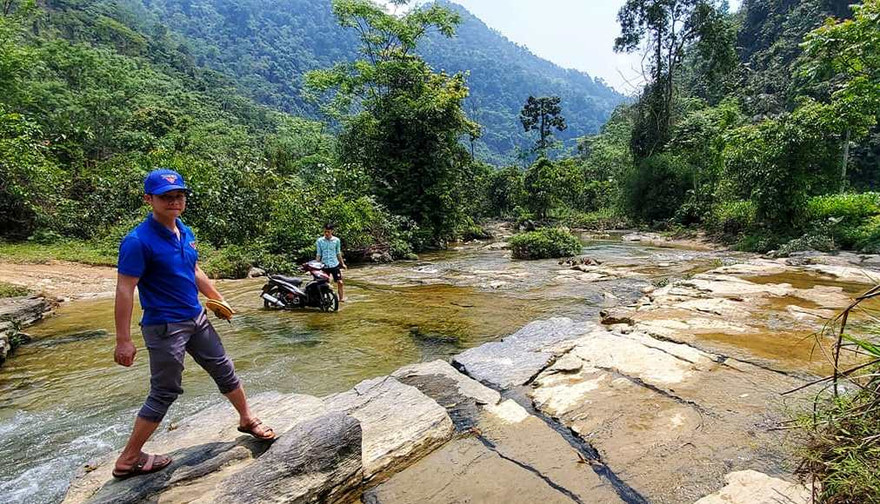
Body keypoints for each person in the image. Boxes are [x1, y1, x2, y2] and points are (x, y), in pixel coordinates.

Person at [111, 168, 275, 479]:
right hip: (164, 326)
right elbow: (124, 289)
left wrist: (217, 298)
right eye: (166, 197)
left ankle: (246, 419)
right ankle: (129, 458)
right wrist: (123, 339)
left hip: (195, 317)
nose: (174, 201)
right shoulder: (137, 241)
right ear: (149, 199)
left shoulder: (183, 230)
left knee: (223, 368)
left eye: (179, 195)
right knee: (165, 390)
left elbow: (194, 269)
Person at [316, 223, 347, 302]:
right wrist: (316, 266)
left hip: (334, 264)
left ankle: (341, 298)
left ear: (332, 231)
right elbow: (319, 254)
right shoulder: (320, 241)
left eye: (328, 232)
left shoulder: (336, 240)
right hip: (324, 265)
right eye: (325, 231)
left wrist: (342, 264)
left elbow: (338, 253)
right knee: (324, 284)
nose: (326, 233)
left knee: (340, 282)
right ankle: (324, 299)